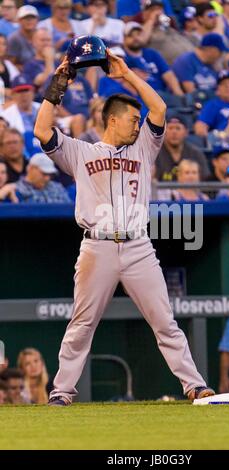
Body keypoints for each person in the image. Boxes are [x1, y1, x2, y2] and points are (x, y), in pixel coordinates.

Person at [33, 49, 215, 405]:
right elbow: (42, 129)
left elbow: (159, 109)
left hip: (138, 247)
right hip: (96, 246)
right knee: (82, 324)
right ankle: (61, 391)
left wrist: (127, 75)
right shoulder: (80, 152)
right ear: (112, 120)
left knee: (164, 321)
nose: (138, 124)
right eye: (132, 119)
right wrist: (58, 84)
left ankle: (193, 385)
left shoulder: (143, 148)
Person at [123, 22, 184, 96]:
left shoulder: (152, 53)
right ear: (124, 39)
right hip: (139, 98)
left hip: (161, 95)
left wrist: (180, 96)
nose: (136, 38)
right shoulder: (121, 57)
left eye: (138, 34)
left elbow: (168, 75)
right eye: (131, 36)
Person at [154, 115, 210, 182]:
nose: (174, 132)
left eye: (178, 128)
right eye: (170, 128)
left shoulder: (196, 154)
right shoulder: (155, 153)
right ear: (164, 131)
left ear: (186, 132)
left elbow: (205, 179)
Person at [0, 152, 72, 203]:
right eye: (44, 173)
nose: (47, 178)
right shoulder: (16, 189)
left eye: (50, 175)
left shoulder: (58, 188)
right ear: (31, 169)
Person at [0, 75, 41, 156]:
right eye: (19, 91)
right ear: (12, 94)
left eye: (26, 90)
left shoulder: (44, 108)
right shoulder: (5, 116)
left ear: (33, 91)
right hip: (23, 155)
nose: (23, 95)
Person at [7, 5, 39, 69]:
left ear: (37, 19)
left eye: (32, 17)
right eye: (25, 18)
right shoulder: (14, 38)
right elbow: (10, 65)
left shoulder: (43, 35)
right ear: (19, 20)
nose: (29, 20)